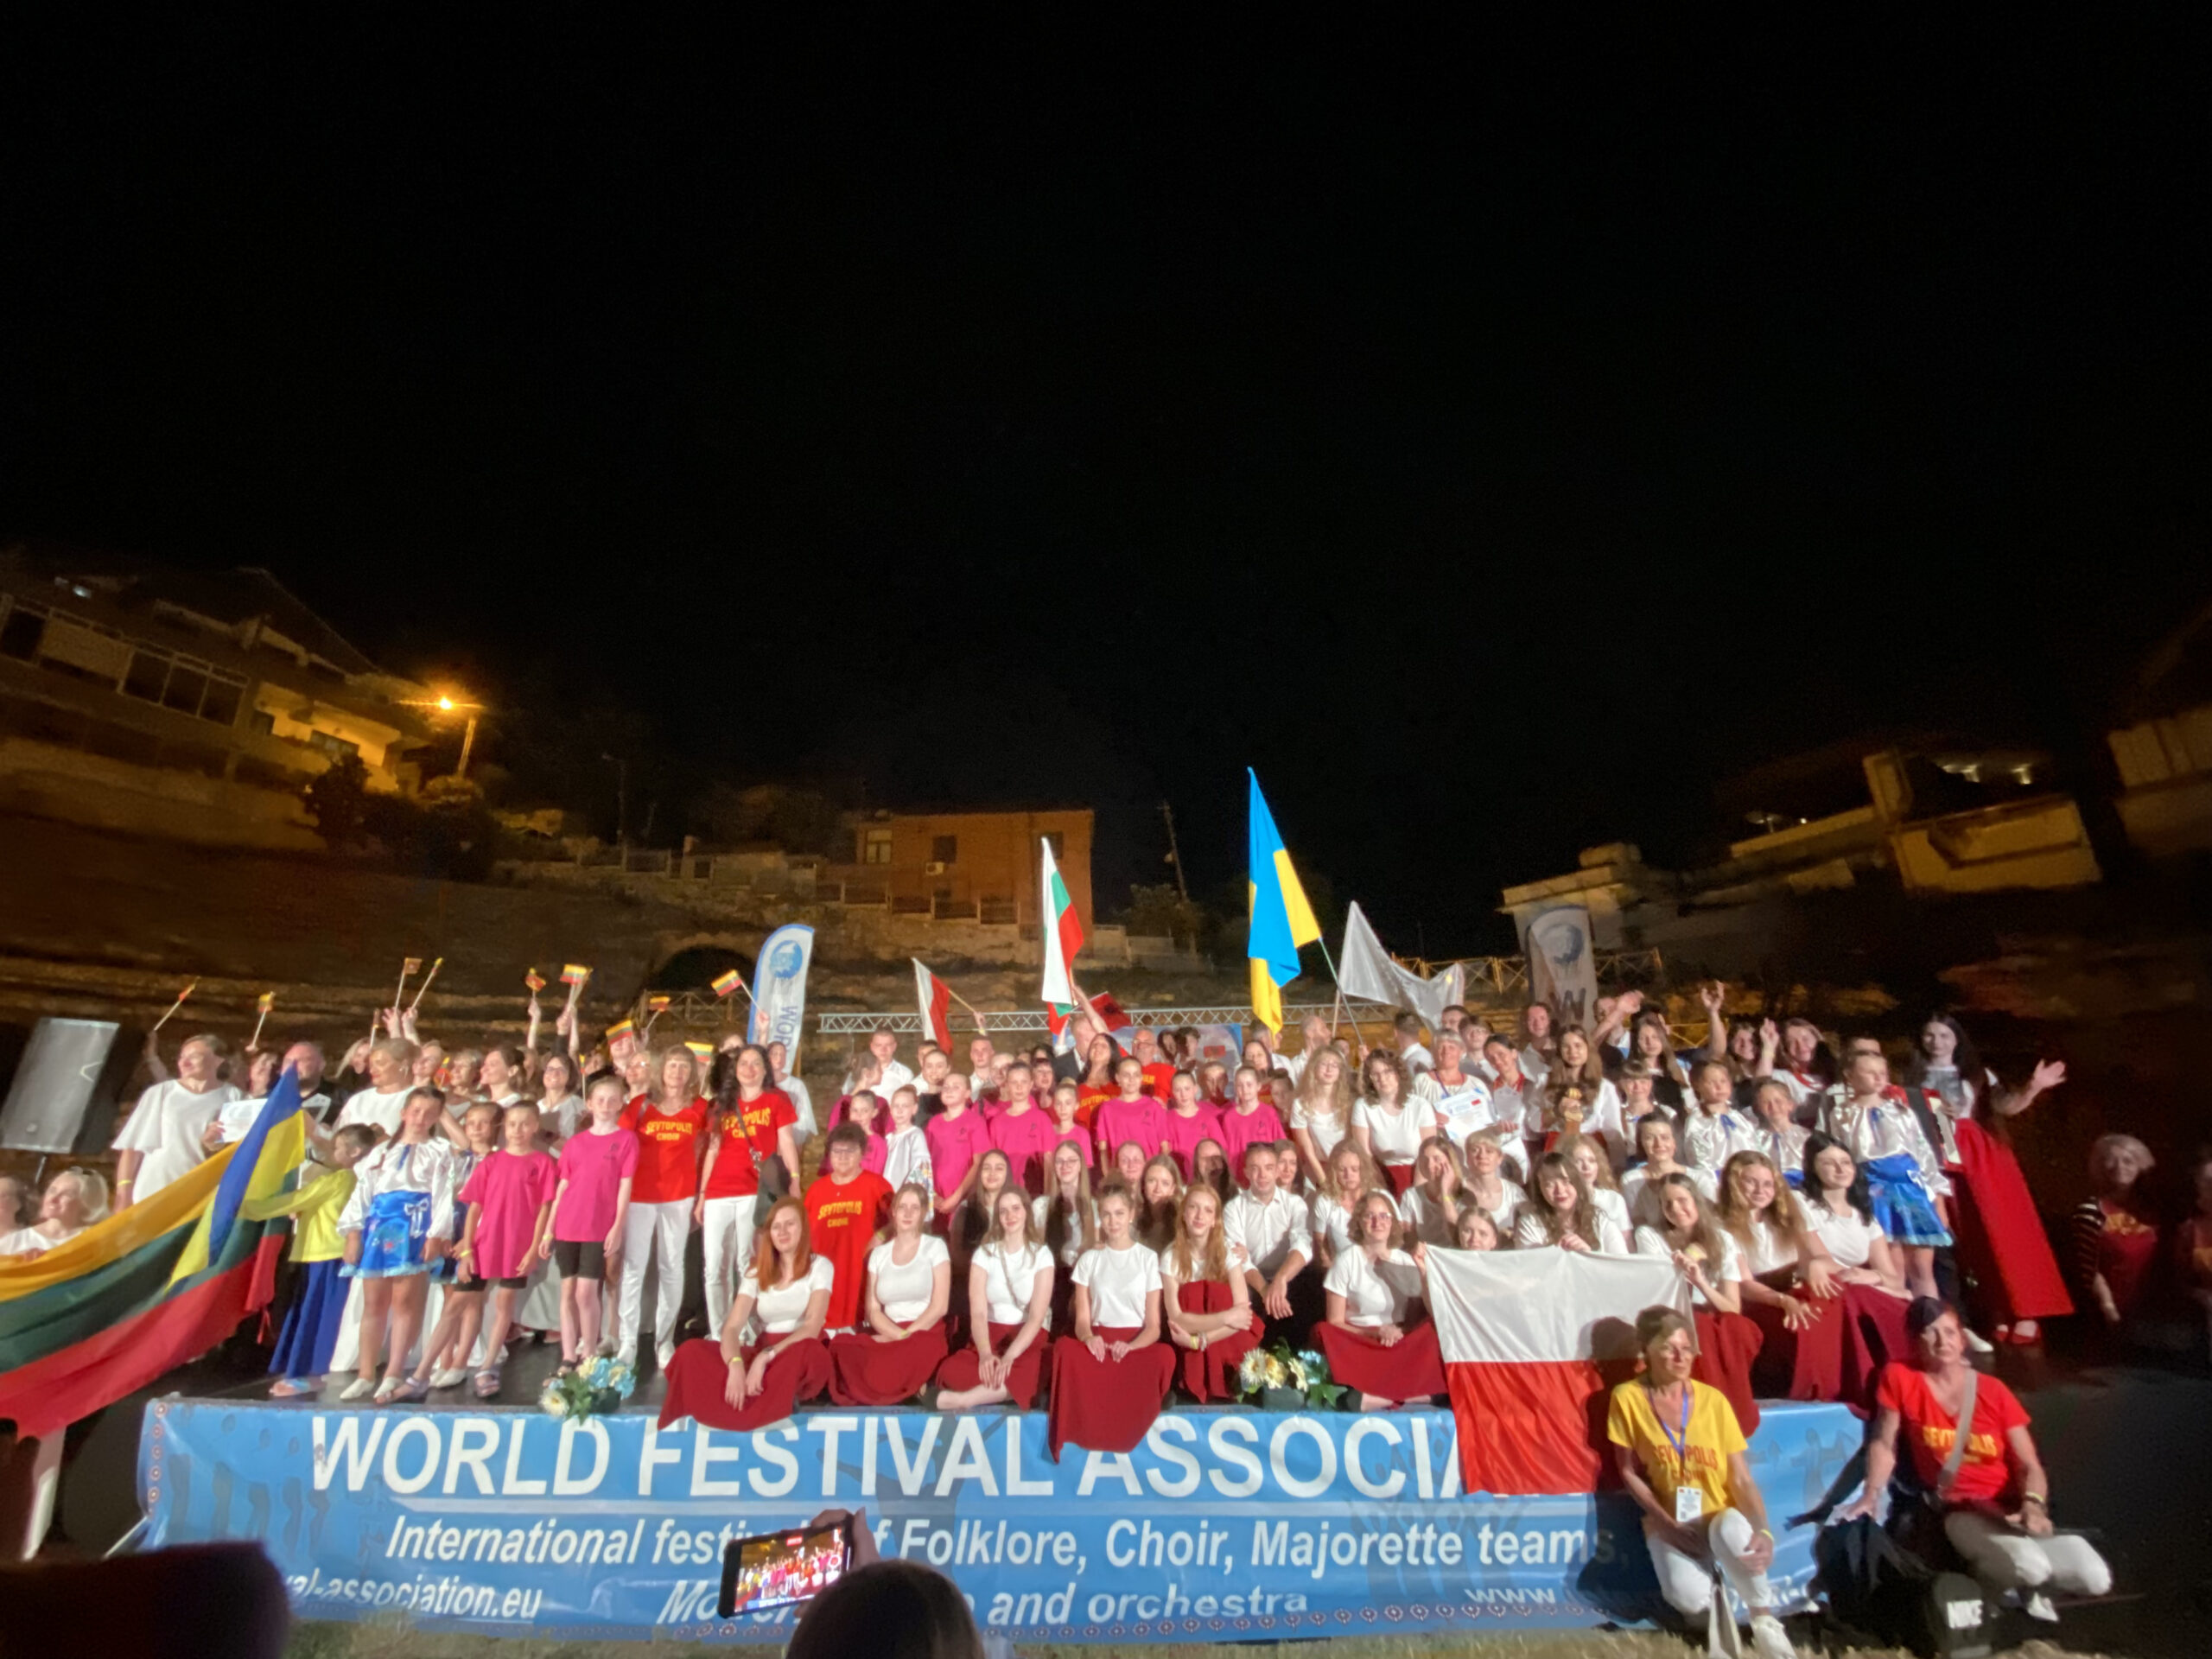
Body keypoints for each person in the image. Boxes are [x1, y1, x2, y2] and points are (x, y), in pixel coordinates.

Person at [1840, 1299, 2111, 1622]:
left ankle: (2023, 1587)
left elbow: (2029, 1464)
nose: (1942, 1341)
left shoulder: (1993, 1390)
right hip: (1960, 1509)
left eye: (1949, 1332)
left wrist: (2033, 1505)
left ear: (1962, 1339)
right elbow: (1884, 1443)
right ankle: (1988, 1595)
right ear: (1914, 1342)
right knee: (2030, 1566)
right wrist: (1871, 1494)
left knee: (2095, 1578)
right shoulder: (1901, 1377)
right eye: (1930, 1333)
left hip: (2009, 1509)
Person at [1608, 1307, 1797, 1659]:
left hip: (1718, 1514)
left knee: (1734, 1532)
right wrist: (1667, 1524)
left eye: (1686, 1348)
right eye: (1669, 1348)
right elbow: (1628, 1471)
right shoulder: (1627, 1398)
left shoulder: (1713, 1401)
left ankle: (1765, 1623)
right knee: (1687, 1599)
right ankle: (1717, 1603)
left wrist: (1763, 1530)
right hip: (1671, 1519)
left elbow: (1740, 1477)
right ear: (1646, 1350)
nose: (1681, 1357)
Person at [1904, 1015, 2073, 1344]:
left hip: (1979, 1154)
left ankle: (2024, 1311)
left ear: (1957, 1040)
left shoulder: (1976, 1075)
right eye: (1929, 1035)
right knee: (1966, 1237)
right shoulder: (1911, 1079)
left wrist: (2034, 1087)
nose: (1936, 1042)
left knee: (2002, 1229)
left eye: (1944, 1035)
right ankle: (1994, 1309)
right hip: (1935, 1156)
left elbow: (2006, 1107)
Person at [659, 1196, 833, 1431]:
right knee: (691, 1351)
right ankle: (756, 1399)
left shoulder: (820, 1266)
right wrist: (736, 1364)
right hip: (763, 1352)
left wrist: (765, 1357)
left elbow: (811, 1327)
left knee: (811, 1353)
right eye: (776, 1226)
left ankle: (767, 1401)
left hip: (796, 1349)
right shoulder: (756, 1273)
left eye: (790, 1224)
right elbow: (732, 1328)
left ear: (803, 1228)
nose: (782, 1232)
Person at [337, 1087, 458, 1402]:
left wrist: (436, 1233)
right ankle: (366, 1374)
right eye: (416, 1111)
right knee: (373, 1301)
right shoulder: (381, 1152)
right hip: (380, 1226)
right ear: (404, 1112)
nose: (420, 1118)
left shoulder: (440, 1150)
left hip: (415, 1225)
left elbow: (443, 1193)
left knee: (405, 1301)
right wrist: (353, 1233)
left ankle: (393, 1371)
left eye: (429, 1114)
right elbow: (363, 1192)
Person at [1717, 1149, 1856, 1403]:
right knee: (1801, 1320)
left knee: (1835, 1294)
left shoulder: (1791, 1209)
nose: (1761, 1190)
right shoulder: (1722, 1224)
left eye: (1767, 1184)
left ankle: (1844, 1385)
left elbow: (1826, 1260)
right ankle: (1809, 1391)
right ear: (1734, 1184)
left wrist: (1816, 1265)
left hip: (1797, 1285)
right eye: (1751, 1182)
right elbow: (1745, 1284)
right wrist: (1783, 1301)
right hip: (1761, 1298)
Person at [1049, 1185, 1175, 1458]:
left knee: (1165, 1356)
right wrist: (1088, 1338)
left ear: (1131, 1215)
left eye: (1119, 1213)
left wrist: (1131, 1346)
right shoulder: (1089, 1260)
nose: (1113, 1221)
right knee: (1064, 1349)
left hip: (1134, 1346)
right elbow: (1082, 1320)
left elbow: (1153, 1326)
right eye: (1106, 1214)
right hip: (1099, 1345)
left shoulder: (1148, 1259)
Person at [248, 1125, 374, 1396]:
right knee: (312, 1314)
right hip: (320, 1254)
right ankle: (305, 1371)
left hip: (329, 1254)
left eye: (337, 1147)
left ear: (355, 1152)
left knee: (321, 1316)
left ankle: (315, 1373)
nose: (332, 1152)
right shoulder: (349, 1179)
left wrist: (243, 1207)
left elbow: (297, 1199)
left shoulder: (340, 1179)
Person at [444, 1102, 558, 1399]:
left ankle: (487, 1364)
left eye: (525, 1124)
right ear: (504, 1128)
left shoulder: (542, 1163)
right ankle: (439, 1366)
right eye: (512, 1124)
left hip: (516, 1246)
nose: (518, 1130)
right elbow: (474, 1208)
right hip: (483, 1244)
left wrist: (533, 1248)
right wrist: (467, 1247)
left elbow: (544, 1209)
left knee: (503, 1305)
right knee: (460, 1302)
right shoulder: (491, 1163)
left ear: (535, 1127)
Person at [1815, 1050, 1949, 1300]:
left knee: (1922, 1266)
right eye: (1870, 1072)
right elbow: (1840, 1155)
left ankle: (1931, 1314)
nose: (1878, 1078)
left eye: (1882, 1073)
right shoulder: (1841, 1115)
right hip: (1873, 1192)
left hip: (1910, 1190)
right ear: (1850, 1076)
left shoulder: (1901, 1112)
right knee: (1892, 1267)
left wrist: (1936, 1195)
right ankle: (1899, 1314)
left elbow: (1923, 1154)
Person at [1633, 1172, 1762, 1433]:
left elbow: (1732, 1307)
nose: (1675, 1209)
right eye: (1667, 1204)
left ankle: (1733, 1414)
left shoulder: (1722, 1239)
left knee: (1735, 1326)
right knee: (1698, 1326)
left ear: (1696, 1201)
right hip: (1675, 1313)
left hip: (1712, 1312)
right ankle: (1704, 1413)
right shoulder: (1649, 1235)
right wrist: (1686, 1261)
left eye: (1682, 1200)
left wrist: (1701, 1282)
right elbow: (1661, 1291)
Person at [615, 1048, 711, 1372]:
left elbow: (707, 1147)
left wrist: (700, 1194)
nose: (678, 1072)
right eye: (672, 1065)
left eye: (684, 1067)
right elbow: (621, 1146)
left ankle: (665, 1340)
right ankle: (627, 1342)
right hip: (640, 1196)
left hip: (679, 1196)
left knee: (671, 1267)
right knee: (634, 1268)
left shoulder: (700, 1108)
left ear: (692, 1073)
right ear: (661, 1069)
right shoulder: (640, 1105)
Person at [695, 1044, 801, 1336]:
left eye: (756, 1063)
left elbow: (787, 1142)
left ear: (765, 1069)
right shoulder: (722, 1105)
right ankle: (719, 1330)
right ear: (735, 1069)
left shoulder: (776, 1101)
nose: (749, 1069)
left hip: (754, 1190)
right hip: (718, 1191)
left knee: (747, 1261)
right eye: (743, 1063)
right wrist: (702, 1195)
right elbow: (713, 1150)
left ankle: (746, 1327)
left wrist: (794, 1179)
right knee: (713, 1265)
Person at [540, 1072, 636, 1368]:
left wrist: (617, 1226)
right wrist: (548, 1230)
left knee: (586, 1291)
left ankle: (590, 1351)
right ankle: (569, 1355)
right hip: (568, 1223)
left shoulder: (626, 1140)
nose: (606, 1105)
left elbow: (625, 1187)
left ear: (620, 1104)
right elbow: (563, 1188)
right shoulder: (575, 1143)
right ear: (590, 1104)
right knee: (567, 1291)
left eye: (612, 1100)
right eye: (600, 1100)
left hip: (598, 1226)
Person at [1320, 1192, 1447, 1409]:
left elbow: (1425, 1310)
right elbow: (1335, 1321)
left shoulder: (1405, 1260)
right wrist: (1375, 1333)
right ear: (1359, 1222)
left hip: (1398, 1337)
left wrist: (1397, 1331)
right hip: (1361, 1338)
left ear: (1392, 1222)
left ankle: (1405, 1393)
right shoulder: (1347, 1260)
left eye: (1383, 1216)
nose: (1377, 1222)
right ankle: (1387, 1395)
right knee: (1324, 1332)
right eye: (1369, 1216)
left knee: (1432, 1329)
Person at [827, 1182, 950, 1406]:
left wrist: (906, 1336)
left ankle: (892, 1385)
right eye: (902, 1207)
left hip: (924, 1332)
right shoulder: (879, 1254)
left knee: (916, 1348)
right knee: (842, 1345)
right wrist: (896, 1335)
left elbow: (939, 1307)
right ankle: (907, 1387)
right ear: (893, 1212)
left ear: (923, 1213)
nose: (908, 1213)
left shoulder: (935, 1247)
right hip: (889, 1332)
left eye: (915, 1208)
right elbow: (873, 1311)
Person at [937, 1185, 1057, 1410]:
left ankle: (967, 1400)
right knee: (952, 1370)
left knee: (1033, 1369)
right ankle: (999, 1391)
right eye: (1003, 1211)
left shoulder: (1042, 1255)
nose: (1010, 1216)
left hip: (1026, 1337)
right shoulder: (984, 1254)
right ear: (998, 1217)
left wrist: (1010, 1357)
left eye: (1016, 1209)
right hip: (989, 1335)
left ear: (1026, 1212)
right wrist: (985, 1354)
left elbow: (1036, 1317)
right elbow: (979, 1314)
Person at [112, 1034, 239, 1208]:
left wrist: (214, 1143)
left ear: (218, 1061)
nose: (184, 1062)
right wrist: (123, 1193)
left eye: (194, 1057)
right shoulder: (161, 1093)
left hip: (202, 1196)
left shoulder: (234, 1097)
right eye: (182, 1057)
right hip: (153, 1191)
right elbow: (132, 1148)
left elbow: (239, 1150)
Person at [1160, 1181, 1259, 1402]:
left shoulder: (1228, 1250)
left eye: (1207, 1210)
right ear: (1184, 1214)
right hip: (1186, 1337)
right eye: (1193, 1207)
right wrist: (1225, 1317)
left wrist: (1199, 1341)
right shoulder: (1170, 1257)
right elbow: (1177, 1319)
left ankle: (1229, 1382)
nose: (1199, 1216)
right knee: (1191, 1293)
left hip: (1223, 1337)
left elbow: (1243, 1316)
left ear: (1215, 1220)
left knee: (1218, 1294)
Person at [804, 1124, 895, 1331]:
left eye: (850, 1151)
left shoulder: (877, 1185)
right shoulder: (816, 1190)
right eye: (837, 1151)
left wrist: (881, 1235)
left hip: (860, 1280)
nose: (843, 1157)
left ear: (862, 1153)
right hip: (824, 1284)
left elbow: (900, 1221)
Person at [2071, 1133, 2161, 1339]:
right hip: (2112, 1311)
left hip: (2157, 1311)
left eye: (2128, 1161)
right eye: (2111, 1160)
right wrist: (2108, 1308)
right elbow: (2090, 1268)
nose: (2120, 1166)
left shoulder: (2157, 1210)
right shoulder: (2091, 1210)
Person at [1224, 1141, 1314, 1339]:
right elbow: (1238, 1258)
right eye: (1255, 1169)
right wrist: (1266, 1290)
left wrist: (1280, 1280)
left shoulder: (1295, 1204)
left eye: (1269, 1168)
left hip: (1289, 1277)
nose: (1262, 1175)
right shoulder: (1234, 1208)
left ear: (1277, 1172)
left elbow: (1302, 1244)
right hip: (1253, 1281)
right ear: (1246, 1173)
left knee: (1312, 1286)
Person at [1351, 1050, 1435, 1196]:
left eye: (1387, 1072)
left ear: (1398, 1073)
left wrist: (1416, 1195)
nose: (1382, 1079)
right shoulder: (1363, 1106)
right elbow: (1365, 1155)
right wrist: (1381, 1191)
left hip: (1420, 1175)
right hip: (1380, 1178)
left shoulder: (1420, 1106)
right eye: (1375, 1074)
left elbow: (1428, 1153)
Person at [1531, 1027, 1625, 1152]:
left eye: (1578, 1046)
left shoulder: (1604, 1087)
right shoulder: (1544, 1081)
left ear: (1587, 1048)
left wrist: (1617, 1161)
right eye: (1566, 1046)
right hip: (1556, 1149)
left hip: (1590, 1150)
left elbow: (1614, 1134)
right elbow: (1533, 1123)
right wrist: (1556, 1112)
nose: (1572, 1051)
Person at [1515, 1150, 1629, 1253]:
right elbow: (1531, 1265)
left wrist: (1587, 1255)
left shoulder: (1600, 1220)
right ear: (1540, 1190)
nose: (1560, 1190)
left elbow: (1621, 1264)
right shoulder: (1530, 1225)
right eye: (1549, 1184)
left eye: (1566, 1182)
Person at [1309, 1141, 1397, 1268]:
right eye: (1342, 1170)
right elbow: (1320, 1248)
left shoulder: (1382, 1197)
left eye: (1354, 1169)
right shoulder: (1325, 1201)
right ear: (1334, 1172)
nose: (1348, 1175)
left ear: (1363, 1169)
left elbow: (1397, 1239)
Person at [925, 1072, 994, 1226]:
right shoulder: (933, 1123)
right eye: (946, 1087)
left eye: (956, 1087)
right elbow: (924, 1163)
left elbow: (979, 1163)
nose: (949, 1090)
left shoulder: (975, 1122)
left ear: (967, 1093)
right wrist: (933, 1195)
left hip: (963, 1198)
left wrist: (956, 1197)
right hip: (936, 1200)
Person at [1623, 1115, 1714, 1229]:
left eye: (1665, 1137)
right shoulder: (1630, 1180)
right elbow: (1638, 1223)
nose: (1659, 1144)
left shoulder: (1698, 1178)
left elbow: (1711, 1217)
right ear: (1641, 1143)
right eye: (1649, 1138)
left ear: (1674, 1142)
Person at [987, 1065, 1060, 1193]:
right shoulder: (997, 1122)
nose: (1019, 1087)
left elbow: (1049, 1159)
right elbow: (993, 1161)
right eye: (1014, 1082)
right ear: (1007, 1085)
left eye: (1023, 1082)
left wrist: (1048, 1195)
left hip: (1035, 1188)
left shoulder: (1041, 1118)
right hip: (1006, 1190)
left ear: (1031, 1084)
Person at [1288, 1043, 1355, 1185]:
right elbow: (1307, 1149)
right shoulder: (1300, 1104)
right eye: (1324, 1064)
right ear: (1314, 1068)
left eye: (1335, 1065)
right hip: (1317, 1168)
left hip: (1347, 1167)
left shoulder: (1349, 1102)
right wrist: (1324, 1181)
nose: (1329, 1069)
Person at [1217, 1064, 1289, 1176]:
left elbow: (1280, 1144)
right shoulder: (1229, 1117)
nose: (1245, 1089)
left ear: (1258, 1086)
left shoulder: (1269, 1113)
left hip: (1264, 1174)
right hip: (1239, 1174)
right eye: (1240, 1085)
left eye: (1249, 1085)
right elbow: (1226, 1150)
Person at [1397, 1135, 1466, 1249]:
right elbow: (1408, 1236)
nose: (1430, 1165)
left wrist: (1445, 1192)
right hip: (1426, 1253)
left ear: (1449, 1160)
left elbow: (1457, 1231)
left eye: (1436, 1159)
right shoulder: (1411, 1196)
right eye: (1425, 1159)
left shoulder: (1464, 1193)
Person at [1458, 1128, 1528, 1235]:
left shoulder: (1514, 1192)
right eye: (1475, 1150)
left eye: (1489, 1151)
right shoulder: (1456, 1190)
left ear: (1499, 1158)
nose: (1482, 1156)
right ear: (1467, 1158)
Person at [1156, 1070, 1224, 1179]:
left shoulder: (1208, 1119)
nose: (1183, 1094)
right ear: (1172, 1092)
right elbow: (1164, 1151)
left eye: (1187, 1089)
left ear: (1195, 1089)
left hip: (1204, 1177)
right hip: (1178, 1176)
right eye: (1178, 1090)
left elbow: (1220, 1151)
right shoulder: (1167, 1119)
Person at [1563, 1133, 1632, 1237]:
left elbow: (1627, 1242)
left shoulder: (1614, 1199)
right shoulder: (1562, 1201)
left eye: (1591, 1161)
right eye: (1578, 1161)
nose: (1586, 1167)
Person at [1135, 1154, 1182, 1251]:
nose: (1157, 1189)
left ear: (1173, 1188)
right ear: (1143, 1185)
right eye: (1151, 1181)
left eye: (1165, 1183)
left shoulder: (1181, 1222)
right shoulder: (1134, 1221)